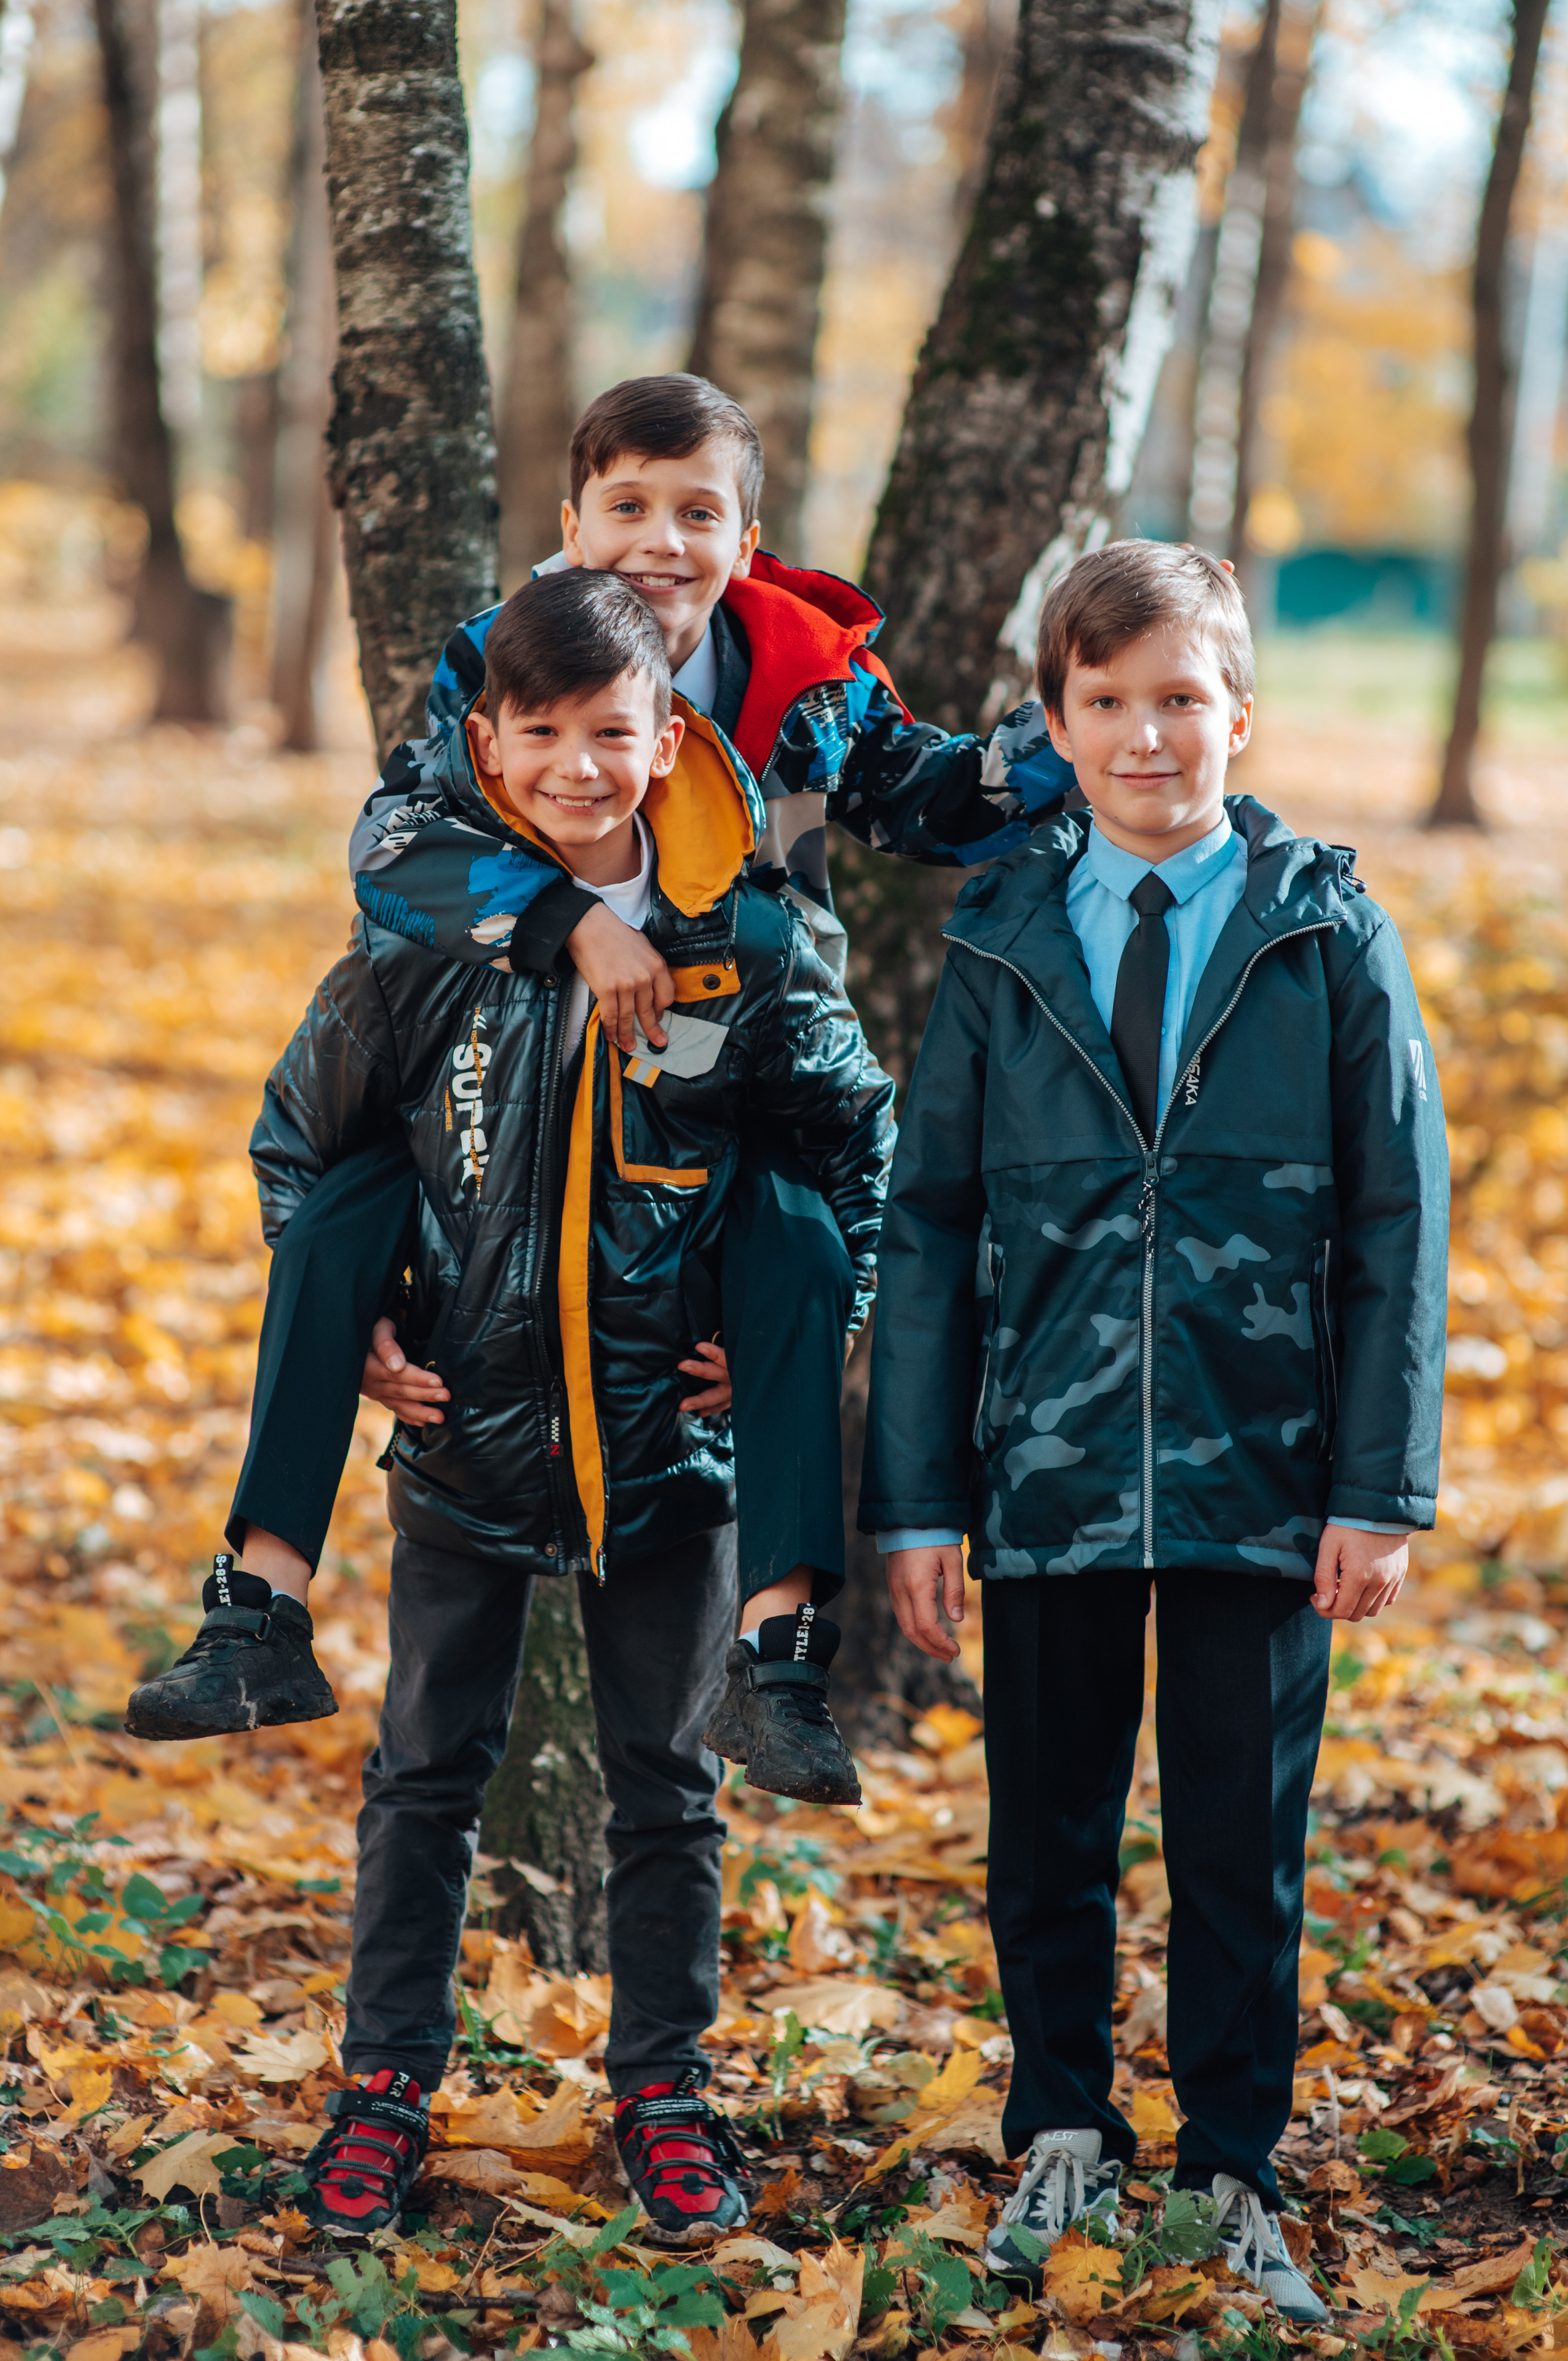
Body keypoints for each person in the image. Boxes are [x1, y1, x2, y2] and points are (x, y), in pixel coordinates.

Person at [124, 373, 1072, 1787]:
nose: (661, 540)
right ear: (571, 524)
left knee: (802, 1251)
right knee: (339, 1216)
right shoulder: (506, 657)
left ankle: (780, 1659)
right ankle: (257, 1604)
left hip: (713, 1082)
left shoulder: (809, 683)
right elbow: (398, 838)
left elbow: (936, 802)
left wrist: (1089, 716)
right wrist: (570, 920)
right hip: (497, 1073)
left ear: (744, 539)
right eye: (626, 505)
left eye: (698, 512)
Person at [152, 571, 893, 2244]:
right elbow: (300, 1142)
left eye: (611, 731)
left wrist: (796, 1335)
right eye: (540, 733)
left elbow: (859, 1154)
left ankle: (666, 2100)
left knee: (667, 1782)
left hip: (670, 1455)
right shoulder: (420, 949)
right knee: (425, 1772)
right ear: (484, 747)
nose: (577, 763)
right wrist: (349, 1336)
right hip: (467, 1439)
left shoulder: (747, 943)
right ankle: (383, 2091)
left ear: (667, 738)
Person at [859, 540, 1447, 2323]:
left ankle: (1233, 2158)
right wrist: (915, 1500)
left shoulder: (1328, 930)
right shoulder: (1005, 929)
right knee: (1042, 1820)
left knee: (1233, 1837)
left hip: (1261, 1474)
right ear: (1051, 721)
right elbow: (932, 1223)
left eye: (1181, 700)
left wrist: (1379, 1486)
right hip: (1039, 1465)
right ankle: (1059, 2119)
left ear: (1241, 718)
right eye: (1104, 703)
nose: (1144, 737)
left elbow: (1397, 1225)